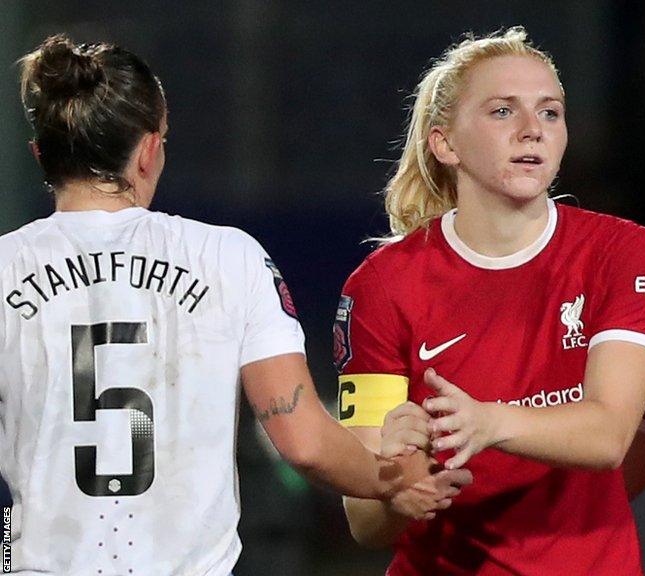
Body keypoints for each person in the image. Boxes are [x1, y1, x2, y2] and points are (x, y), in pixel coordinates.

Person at [0, 35, 468, 575]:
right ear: (150, 150)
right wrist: (395, 481)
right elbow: (304, 442)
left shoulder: (7, 266)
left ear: (42, 155)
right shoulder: (228, 258)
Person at [335, 27, 645, 575]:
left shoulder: (622, 251)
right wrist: (398, 480)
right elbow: (365, 524)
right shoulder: (379, 285)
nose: (532, 131)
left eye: (550, 113)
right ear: (445, 143)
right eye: (501, 112)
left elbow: (608, 434)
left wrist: (488, 422)